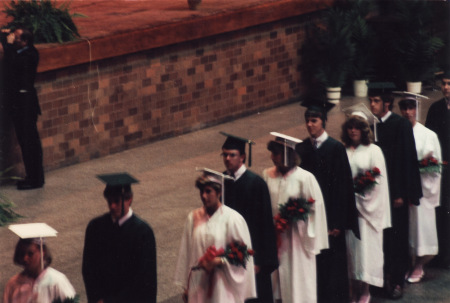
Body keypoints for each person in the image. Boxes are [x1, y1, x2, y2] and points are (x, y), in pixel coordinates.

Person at [295, 99, 359, 303]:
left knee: (333, 265)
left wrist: (338, 222)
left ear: (324, 122)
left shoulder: (335, 149)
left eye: (314, 120)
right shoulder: (302, 149)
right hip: (310, 219)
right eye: (307, 120)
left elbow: (343, 188)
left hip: (331, 220)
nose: (310, 125)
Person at [368, 85, 422, 299]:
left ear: (386, 103)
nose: (372, 105)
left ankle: (398, 281)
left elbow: (406, 159)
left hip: (395, 195)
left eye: (376, 101)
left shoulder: (400, 125)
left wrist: (401, 193)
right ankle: (381, 280)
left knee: (397, 239)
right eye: (371, 100)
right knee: (381, 239)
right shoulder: (370, 126)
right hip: (376, 195)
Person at [263, 133, 328, 303]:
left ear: (288, 154)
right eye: (272, 153)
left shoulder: (305, 178)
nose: (273, 158)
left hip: (297, 240)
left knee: (298, 282)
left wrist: (294, 219)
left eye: (276, 153)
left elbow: (315, 210)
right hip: (274, 238)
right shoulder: (267, 175)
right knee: (277, 282)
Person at [174, 170, 256, 302]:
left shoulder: (233, 219)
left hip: (222, 285)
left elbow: (243, 255)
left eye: (208, 191)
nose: (204, 196)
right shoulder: (193, 217)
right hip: (199, 284)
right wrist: (186, 286)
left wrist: (220, 261)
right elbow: (187, 252)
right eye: (201, 192)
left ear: (219, 192)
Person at [341, 105, 391, 303]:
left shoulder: (374, 151)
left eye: (358, 126)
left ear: (364, 129)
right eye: (350, 126)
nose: (353, 130)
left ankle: (365, 289)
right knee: (351, 252)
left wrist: (360, 199)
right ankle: (352, 288)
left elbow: (378, 182)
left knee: (366, 251)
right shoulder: (342, 150)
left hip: (366, 210)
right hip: (348, 209)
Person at [220, 132, 279, 302]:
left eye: (232, 155)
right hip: (229, 254)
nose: (228, 159)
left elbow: (264, 225)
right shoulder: (222, 181)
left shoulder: (256, 184)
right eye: (225, 154)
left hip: (253, 257)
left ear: (243, 157)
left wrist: (260, 260)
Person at [82, 173, 157, 303]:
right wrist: (97, 298)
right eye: (109, 201)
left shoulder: (143, 232)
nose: (112, 206)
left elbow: (144, 279)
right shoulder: (95, 227)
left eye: (116, 201)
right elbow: (88, 269)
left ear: (129, 199)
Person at [399, 95, 442, 283]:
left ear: (417, 109)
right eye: (404, 108)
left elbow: (435, 165)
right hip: (403, 190)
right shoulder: (398, 131)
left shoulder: (428, 135)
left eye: (411, 107)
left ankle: (419, 265)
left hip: (422, 190)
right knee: (405, 230)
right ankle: (407, 263)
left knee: (421, 229)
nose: (408, 112)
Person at [0, 27, 44, 190]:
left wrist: (8, 44)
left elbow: (12, 63)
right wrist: (5, 35)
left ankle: (35, 179)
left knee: (30, 144)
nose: (14, 39)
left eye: (17, 38)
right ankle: (32, 177)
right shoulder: (23, 51)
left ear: (25, 42)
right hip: (20, 106)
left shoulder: (29, 55)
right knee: (27, 144)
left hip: (25, 107)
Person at [4, 224, 77, 303]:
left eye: (30, 254)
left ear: (43, 252)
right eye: (22, 254)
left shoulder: (57, 282)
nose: (25, 258)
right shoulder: (13, 285)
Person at [425, 70, 450, 268]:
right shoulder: (435, 109)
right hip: (441, 169)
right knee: (441, 211)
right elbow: (428, 139)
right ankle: (442, 255)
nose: (446, 87)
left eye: (449, 84)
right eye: (444, 83)